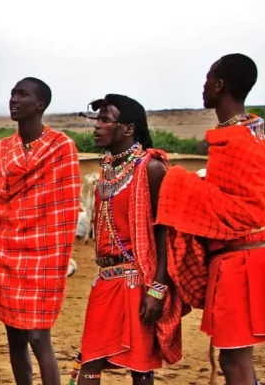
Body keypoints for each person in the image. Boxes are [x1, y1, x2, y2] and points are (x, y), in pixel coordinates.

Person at [156, 54, 265, 385]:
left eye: (207, 79)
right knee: (236, 356)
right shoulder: (249, 136)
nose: (203, 86)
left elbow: (246, 210)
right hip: (242, 257)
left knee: (233, 359)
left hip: (241, 261)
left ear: (219, 85)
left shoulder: (238, 140)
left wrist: (176, 180)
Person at [75, 94, 185, 385]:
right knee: (88, 362)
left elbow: (165, 232)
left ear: (128, 129)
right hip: (106, 280)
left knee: (140, 368)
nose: (97, 126)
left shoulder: (152, 169)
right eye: (96, 119)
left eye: (105, 120)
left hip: (138, 281)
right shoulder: (108, 170)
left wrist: (157, 290)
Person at [0, 77, 81, 385]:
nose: (13, 99)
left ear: (40, 105)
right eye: (12, 93)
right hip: (6, 254)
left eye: (22, 94)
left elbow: (64, 209)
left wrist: (44, 247)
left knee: (39, 338)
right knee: (14, 338)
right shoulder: (2, 149)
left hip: (43, 257)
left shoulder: (61, 147)